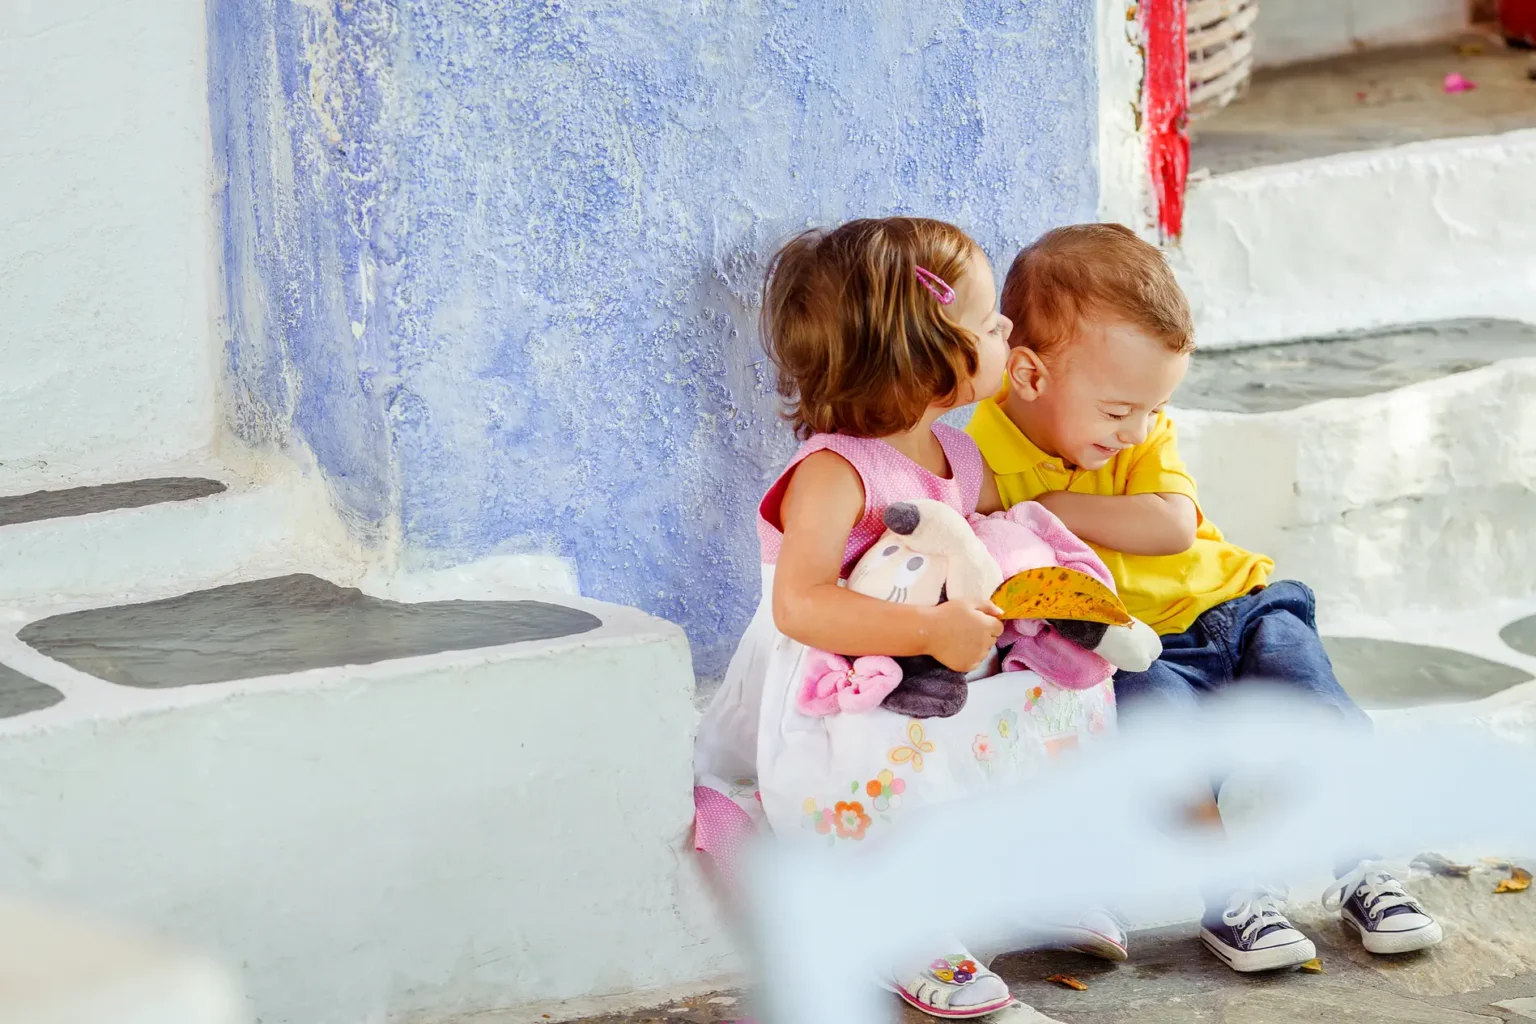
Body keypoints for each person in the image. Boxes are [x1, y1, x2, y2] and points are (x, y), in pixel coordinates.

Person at [966, 223, 1443, 972]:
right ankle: (1231, 900)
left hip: (1238, 608)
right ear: (1027, 376)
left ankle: (1364, 869)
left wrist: (1035, 504)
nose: (1136, 431)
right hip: (1139, 650)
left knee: (1319, 714)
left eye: (1150, 411)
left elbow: (1169, 525)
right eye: (1119, 411)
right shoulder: (982, 454)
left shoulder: (1133, 434)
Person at [693, 217, 1121, 1019]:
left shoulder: (958, 454)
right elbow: (800, 603)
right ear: (927, 353)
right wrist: (926, 633)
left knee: (1026, 730)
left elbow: (1013, 530)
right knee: (893, 781)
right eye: (991, 323)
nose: (1007, 331)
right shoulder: (832, 470)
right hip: (846, 682)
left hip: (944, 669)